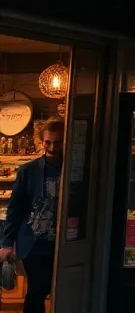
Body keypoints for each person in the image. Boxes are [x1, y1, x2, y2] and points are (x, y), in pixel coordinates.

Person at [0, 121, 64, 313]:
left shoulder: (73, 169)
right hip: (35, 243)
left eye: (57, 142)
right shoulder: (28, 171)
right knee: (38, 289)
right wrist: (6, 242)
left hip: (65, 243)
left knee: (60, 290)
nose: (52, 148)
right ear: (41, 142)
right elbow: (15, 208)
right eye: (48, 142)